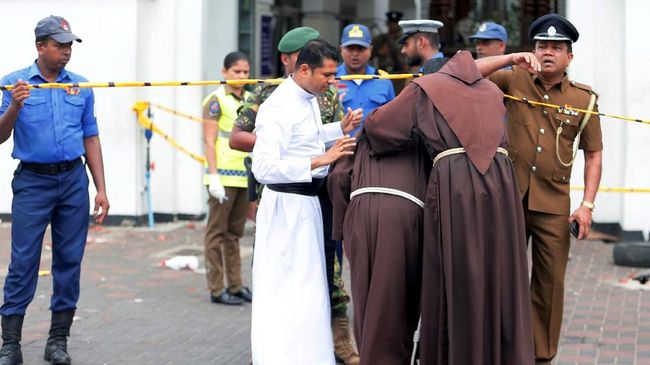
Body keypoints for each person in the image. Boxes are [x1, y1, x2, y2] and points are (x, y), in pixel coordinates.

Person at [362, 50, 537, 364]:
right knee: (498, 269)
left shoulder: (425, 88)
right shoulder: (491, 90)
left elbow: (379, 128)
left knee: (455, 268)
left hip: (456, 184)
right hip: (501, 184)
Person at [476, 14, 603, 365]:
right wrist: (508, 57)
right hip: (508, 200)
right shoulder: (512, 79)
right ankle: (500, 350)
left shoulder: (584, 99)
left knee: (549, 287)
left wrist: (587, 205)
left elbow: (593, 154)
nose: (548, 53)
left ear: (569, 56)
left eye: (556, 47)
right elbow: (468, 72)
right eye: (541, 46)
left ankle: (541, 356)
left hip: (553, 206)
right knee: (501, 279)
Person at [230, 28, 360, 364]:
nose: (332, 81)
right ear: (304, 70)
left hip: (307, 204)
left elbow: (305, 137)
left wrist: (337, 129)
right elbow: (264, 167)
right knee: (286, 289)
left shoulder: (306, 98)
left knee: (309, 288)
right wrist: (321, 160)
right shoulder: (277, 107)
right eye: (327, 74)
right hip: (286, 206)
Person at [0, 15, 109, 365]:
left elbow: (90, 136)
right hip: (33, 182)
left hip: (73, 182)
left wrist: (101, 189)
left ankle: (57, 341)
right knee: (23, 262)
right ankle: (10, 345)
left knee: (69, 261)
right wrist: (15, 105)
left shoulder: (80, 86)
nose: (66, 52)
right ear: (40, 46)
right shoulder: (12, 83)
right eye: (59, 45)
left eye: (69, 46)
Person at [327, 58, 449, 365]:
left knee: (366, 300)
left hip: (360, 213)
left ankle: (370, 356)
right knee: (398, 300)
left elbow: (339, 175)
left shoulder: (373, 125)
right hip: (404, 217)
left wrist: (343, 228)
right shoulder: (432, 133)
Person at [201, 51, 253, 306]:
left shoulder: (251, 99)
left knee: (235, 234)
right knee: (216, 234)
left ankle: (235, 284)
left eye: (245, 72)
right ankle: (216, 287)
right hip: (223, 177)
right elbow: (209, 141)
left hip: (244, 176)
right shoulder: (215, 101)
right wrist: (213, 176)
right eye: (236, 72)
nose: (242, 76)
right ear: (224, 72)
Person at [337, 23, 395, 135]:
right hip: (340, 148)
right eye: (350, 48)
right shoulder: (331, 79)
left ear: (370, 50)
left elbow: (393, 118)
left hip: (375, 149)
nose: (355, 53)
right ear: (341, 50)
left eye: (361, 48)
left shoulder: (383, 80)